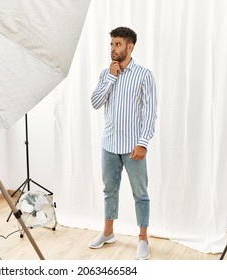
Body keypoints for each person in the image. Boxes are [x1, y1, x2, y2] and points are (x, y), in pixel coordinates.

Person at [90, 26, 157, 260]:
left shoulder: (144, 75)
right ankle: (108, 233)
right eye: (111, 44)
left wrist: (143, 142)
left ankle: (142, 238)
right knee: (109, 190)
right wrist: (110, 76)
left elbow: (150, 113)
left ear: (130, 47)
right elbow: (95, 102)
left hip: (133, 147)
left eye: (117, 44)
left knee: (140, 193)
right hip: (108, 144)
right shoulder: (106, 73)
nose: (113, 48)